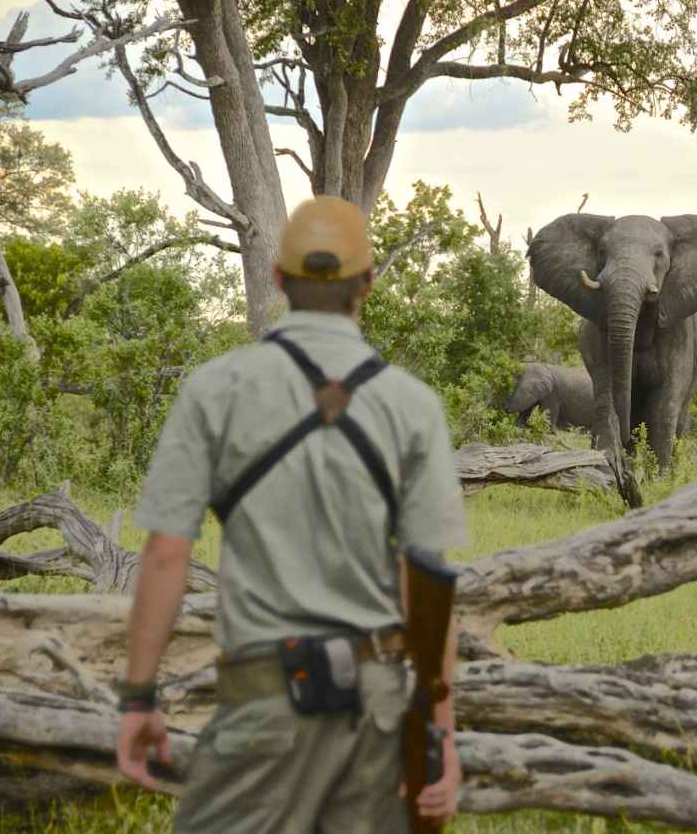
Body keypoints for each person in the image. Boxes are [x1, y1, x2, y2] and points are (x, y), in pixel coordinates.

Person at [114, 196, 468, 832]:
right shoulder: (413, 406)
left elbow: (167, 552)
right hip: (378, 709)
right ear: (369, 284)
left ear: (277, 280)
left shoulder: (216, 388)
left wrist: (139, 697)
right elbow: (427, 578)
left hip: (263, 705)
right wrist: (438, 735)